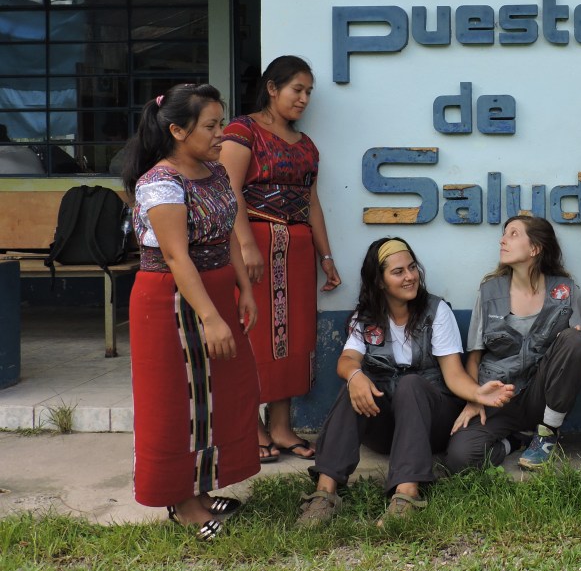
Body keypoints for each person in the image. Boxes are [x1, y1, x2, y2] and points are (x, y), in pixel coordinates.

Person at [122, 83, 259, 541]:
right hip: (172, 301)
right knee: (175, 401)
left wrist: (243, 290)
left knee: (217, 394)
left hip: (214, 291)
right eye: (211, 126)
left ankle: (200, 487)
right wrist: (211, 318)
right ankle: (181, 503)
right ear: (178, 131)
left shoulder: (214, 171)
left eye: (222, 123)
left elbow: (228, 233)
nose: (222, 134)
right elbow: (177, 257)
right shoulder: (160, 183)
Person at [297, 238, 514, 525]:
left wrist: (477, 393)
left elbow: (453, 375)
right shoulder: (366, 317)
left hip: (431, 423)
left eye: (412, 268)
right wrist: (355, 375)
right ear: (380, 281)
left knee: (411, 384)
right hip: (387, 429)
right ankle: (324, 494)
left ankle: (406, 495)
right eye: (398, 272)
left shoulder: (436, 311)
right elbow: (347, 359)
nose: (410, 276)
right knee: (355, 384)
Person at [221, 55, 341, 464]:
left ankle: (281, 427)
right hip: (255, 244)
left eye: (309, 92)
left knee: (293, 338)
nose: (304, 98)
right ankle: (252, 427)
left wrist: (326, 256)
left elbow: (312, 202)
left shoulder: (306, 146)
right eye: (297, 89)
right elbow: (229, 191)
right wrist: (246, 245)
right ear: (272, 88)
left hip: (297, 251)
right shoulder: (243, 132)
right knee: (255, 334)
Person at [445, 216, 581, 473]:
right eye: (504, 234)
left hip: (541, 396)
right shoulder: (489, 292)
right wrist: (474, 398)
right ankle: (514, 441)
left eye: (513, 234)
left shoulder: (566, 291)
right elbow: (474, 357)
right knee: (460, 459)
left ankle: (547, 433)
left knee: (576, 340)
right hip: (499, 396)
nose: (502, 240)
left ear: (535, 248)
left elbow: (576, 348)